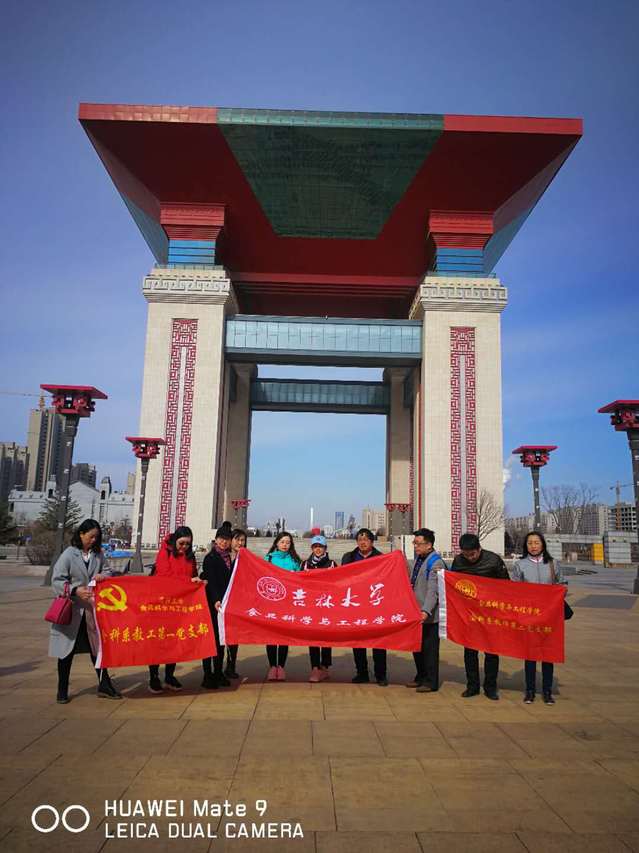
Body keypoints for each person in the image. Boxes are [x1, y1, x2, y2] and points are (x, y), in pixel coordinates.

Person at [49, 518, 122, 703]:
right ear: (81, 534)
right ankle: (62, 689)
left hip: (91, 612)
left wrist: (103, 576)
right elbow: (57, 580)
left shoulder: (98, 555)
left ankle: (104, 684)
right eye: (91, 537)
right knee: (66, 652)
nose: (94, 540)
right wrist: (74, 590)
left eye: (96, 537)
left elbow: (108, 571)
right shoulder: (69, 554)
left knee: (97, 650)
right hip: (72, 611)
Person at [451, 532, 510, 700]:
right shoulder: (458, 561)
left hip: (490, 614)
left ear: (479, 549)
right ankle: (472, 686)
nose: (469, 558)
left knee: (491, 651)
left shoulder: (493, 560)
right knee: (470, 652)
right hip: (469, 615)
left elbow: (506, 586)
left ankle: (490, 687)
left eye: (472, 554)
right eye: (466, 554)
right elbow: (453, 584)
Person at [512, 531, 564, 705]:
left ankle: (547, 691)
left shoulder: (553, 564)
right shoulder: (520, 565)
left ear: (542, 544)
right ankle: (530, 691)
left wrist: (558, 595)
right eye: (530, 543)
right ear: (525, 546)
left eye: (536, 542)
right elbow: (514, 590)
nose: (533, 546)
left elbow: (562, 584)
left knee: (548, 654)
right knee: (530, 655)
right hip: (529, 617)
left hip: (550, 617)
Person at [148, 525, 200, 694]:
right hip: (162, 604)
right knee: (158, 640)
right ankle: (154, 677)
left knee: (175, 640)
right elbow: (164, 575)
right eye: (181, 543)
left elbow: (193, 574)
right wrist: (188, 581)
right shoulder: (165, 552)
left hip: (179, 605)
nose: (184, 547)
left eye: (187, 544)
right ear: (175, 540)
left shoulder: (190, 557)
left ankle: (169, 676)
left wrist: (198, 582)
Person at [342, 528, 388, 686]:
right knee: (358, 641)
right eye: (360, 540)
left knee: (378, 641)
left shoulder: (381, 558)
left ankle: (381, 675)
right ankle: (362, 673)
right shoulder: (348, 557)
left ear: (372, 542)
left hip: (375, 605)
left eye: (366, 540)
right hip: (356, 604)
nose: (363, 543)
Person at [407, 528, 446, 693]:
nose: (415, 546)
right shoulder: (420, 559)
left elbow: (433, 591)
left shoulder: (436, 563)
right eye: (414, 543)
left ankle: (430, 682)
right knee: (417, 647)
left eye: (418, 543)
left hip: (429, 615)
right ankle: (420, 676)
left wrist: (426, 611)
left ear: (429, 545)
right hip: (416, 612)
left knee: (429, 650)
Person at [200, 522, 234, 689]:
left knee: (221, 640)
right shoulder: (210, 558)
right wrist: (215, 599)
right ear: (216, 539)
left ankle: (219, 672)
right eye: (221, 538)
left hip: (225, 605)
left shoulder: (230, 559)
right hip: (212, 604)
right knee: (210, 640)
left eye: (227, 539)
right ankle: (208, 675)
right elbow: (211, 581)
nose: (223, 542)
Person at [264, 531, 302, 681]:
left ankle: (281, 667)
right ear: (276, 543)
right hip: (271, 603)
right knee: (271, 636)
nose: (285, 545)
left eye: (288, 542)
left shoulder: (295, 560)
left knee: (284, 636)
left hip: (287, 604)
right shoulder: (269, 559)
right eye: (282, 542)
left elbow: (300, 580)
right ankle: (272, 666)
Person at [301, 535, 336, 682]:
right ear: (312, 548)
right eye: (315, 546)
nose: (318, 549)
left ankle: (325, 667)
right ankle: (315, 667)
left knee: (326, 638)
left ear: (325, 548)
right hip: (311, 607)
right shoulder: (305, 564)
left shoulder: (332, 564)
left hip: (327, 606)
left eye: (320, 547)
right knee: (313, 638)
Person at [223, 527, 246, 680]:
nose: (240, 543)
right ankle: (218, 668)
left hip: (237, 602)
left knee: (234, 637)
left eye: (243, 540)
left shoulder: (245, 559)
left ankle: (231, 666)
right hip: (223, 600)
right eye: (237, 539)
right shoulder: (224, 557)